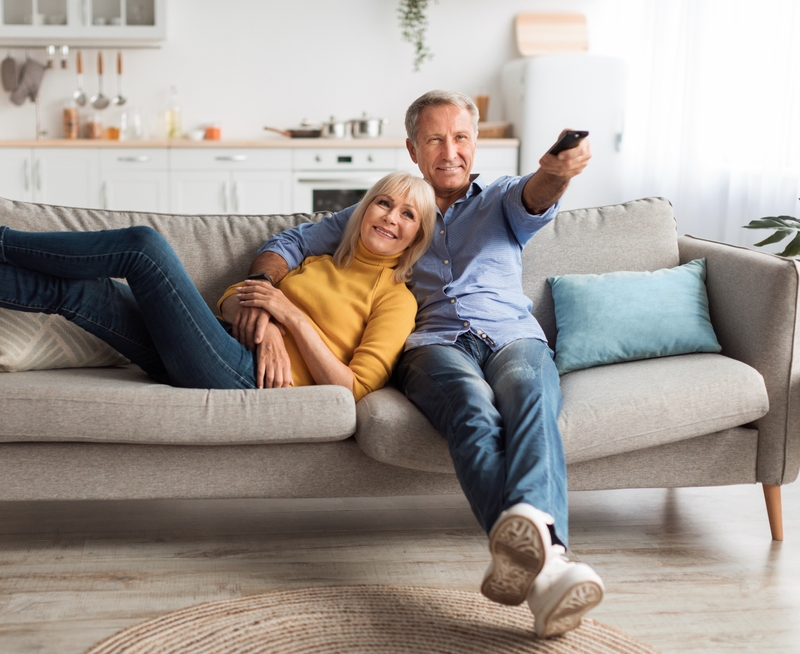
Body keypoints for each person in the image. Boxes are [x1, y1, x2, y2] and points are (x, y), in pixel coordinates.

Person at [233, 90, 604, 638]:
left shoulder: (501, 198)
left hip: (510, 336)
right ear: (413, 148)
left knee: (531, 397)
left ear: (475, 144)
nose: (449, 151)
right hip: (434, 346)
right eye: (435, 139)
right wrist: (262, 288)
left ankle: (543, 567)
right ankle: (551, 567)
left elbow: (538, 192)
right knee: (473, 411)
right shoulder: (392, 211)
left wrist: (558, 171)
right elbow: (289, 242)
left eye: (460, 138)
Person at [0, 172, 434, 399]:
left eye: (407, 216)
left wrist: (288, 318)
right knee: (79, 294)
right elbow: (227, 301)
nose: (390, 218)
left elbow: (353, 386)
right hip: (221, 345)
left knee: (140, 248)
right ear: (364, 210)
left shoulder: (395, 297)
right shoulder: (319, 261)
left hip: (244, 377)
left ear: (415, 238)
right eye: (384, 203)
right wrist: (265, 315)